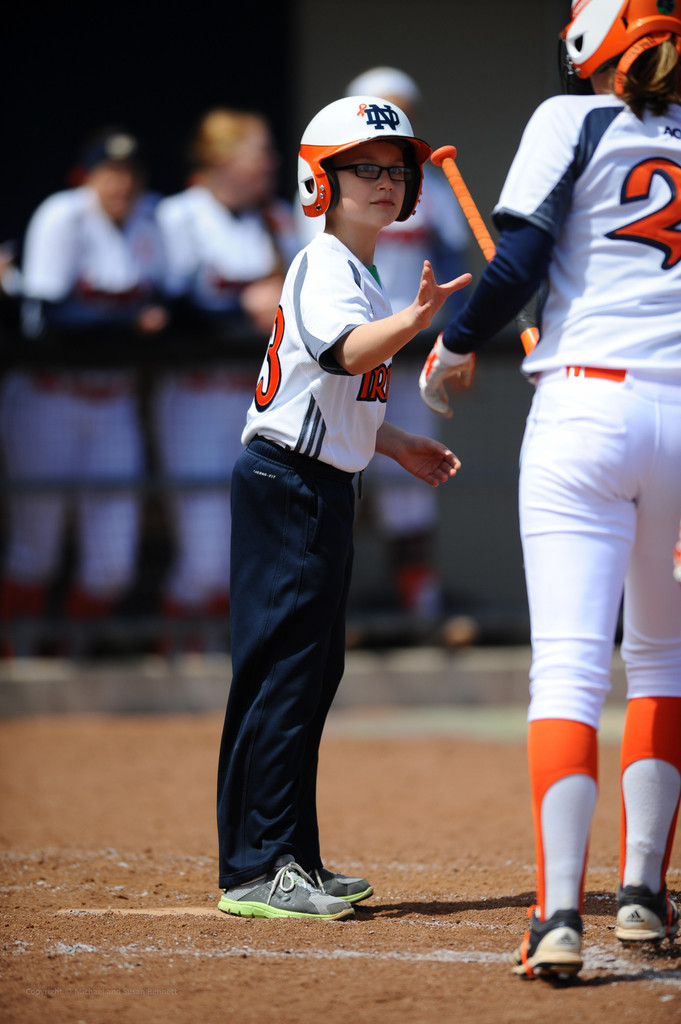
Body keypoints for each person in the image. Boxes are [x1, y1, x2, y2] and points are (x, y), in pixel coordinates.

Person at [419, 0, 681, 979]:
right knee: (662, 663)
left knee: (570, 668)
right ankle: (647, 894)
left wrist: (452, 344)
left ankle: (560, 915)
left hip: (586, 407)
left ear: (590, 40)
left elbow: (518, 260)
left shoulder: (568, 118)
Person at [216, 94, 470, 919]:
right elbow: (342, 349)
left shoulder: (355, 272)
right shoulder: (326, 265)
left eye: (395, 170)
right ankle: (257, 868)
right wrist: (414, 321)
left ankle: (292, 854)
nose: (385, 181)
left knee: (308, 673)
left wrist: (396, 444)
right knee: (282, 676)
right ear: (316, 182)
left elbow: (338, 386)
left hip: (315, 482)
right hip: (288, 484)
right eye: (362, 167)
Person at [297, 67, 471, 619]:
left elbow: (453, 273)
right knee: (328, 473)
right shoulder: (328, 192)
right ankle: (327, 612)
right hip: (341, 348)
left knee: (409, 489)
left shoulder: (430, 191)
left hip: (408, 350)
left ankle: (421, 611)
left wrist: (457, 342)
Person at [0, 129, 168, 655]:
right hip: (49, 398)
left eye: (130, 173)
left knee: (113, 563)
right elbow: (47, 321)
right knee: (35, 550)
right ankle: (17, 660)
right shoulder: (63, 215)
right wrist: (126, 324)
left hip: (112, 401)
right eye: (109, 172)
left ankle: (63, 653)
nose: (121, 182)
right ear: (87, 176)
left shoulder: (151, 220)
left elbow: (173, 303)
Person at [152, 108, 300, 652]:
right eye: (258, 152)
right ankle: (181, 660)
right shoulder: (179, 216)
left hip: (257, 397)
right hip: (196, 393)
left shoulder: (277, 218)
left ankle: (222, 655)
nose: (271, 162)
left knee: (255, 539)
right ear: (222, 159)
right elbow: (167, 308)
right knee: (205, 548)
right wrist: (240, 309)